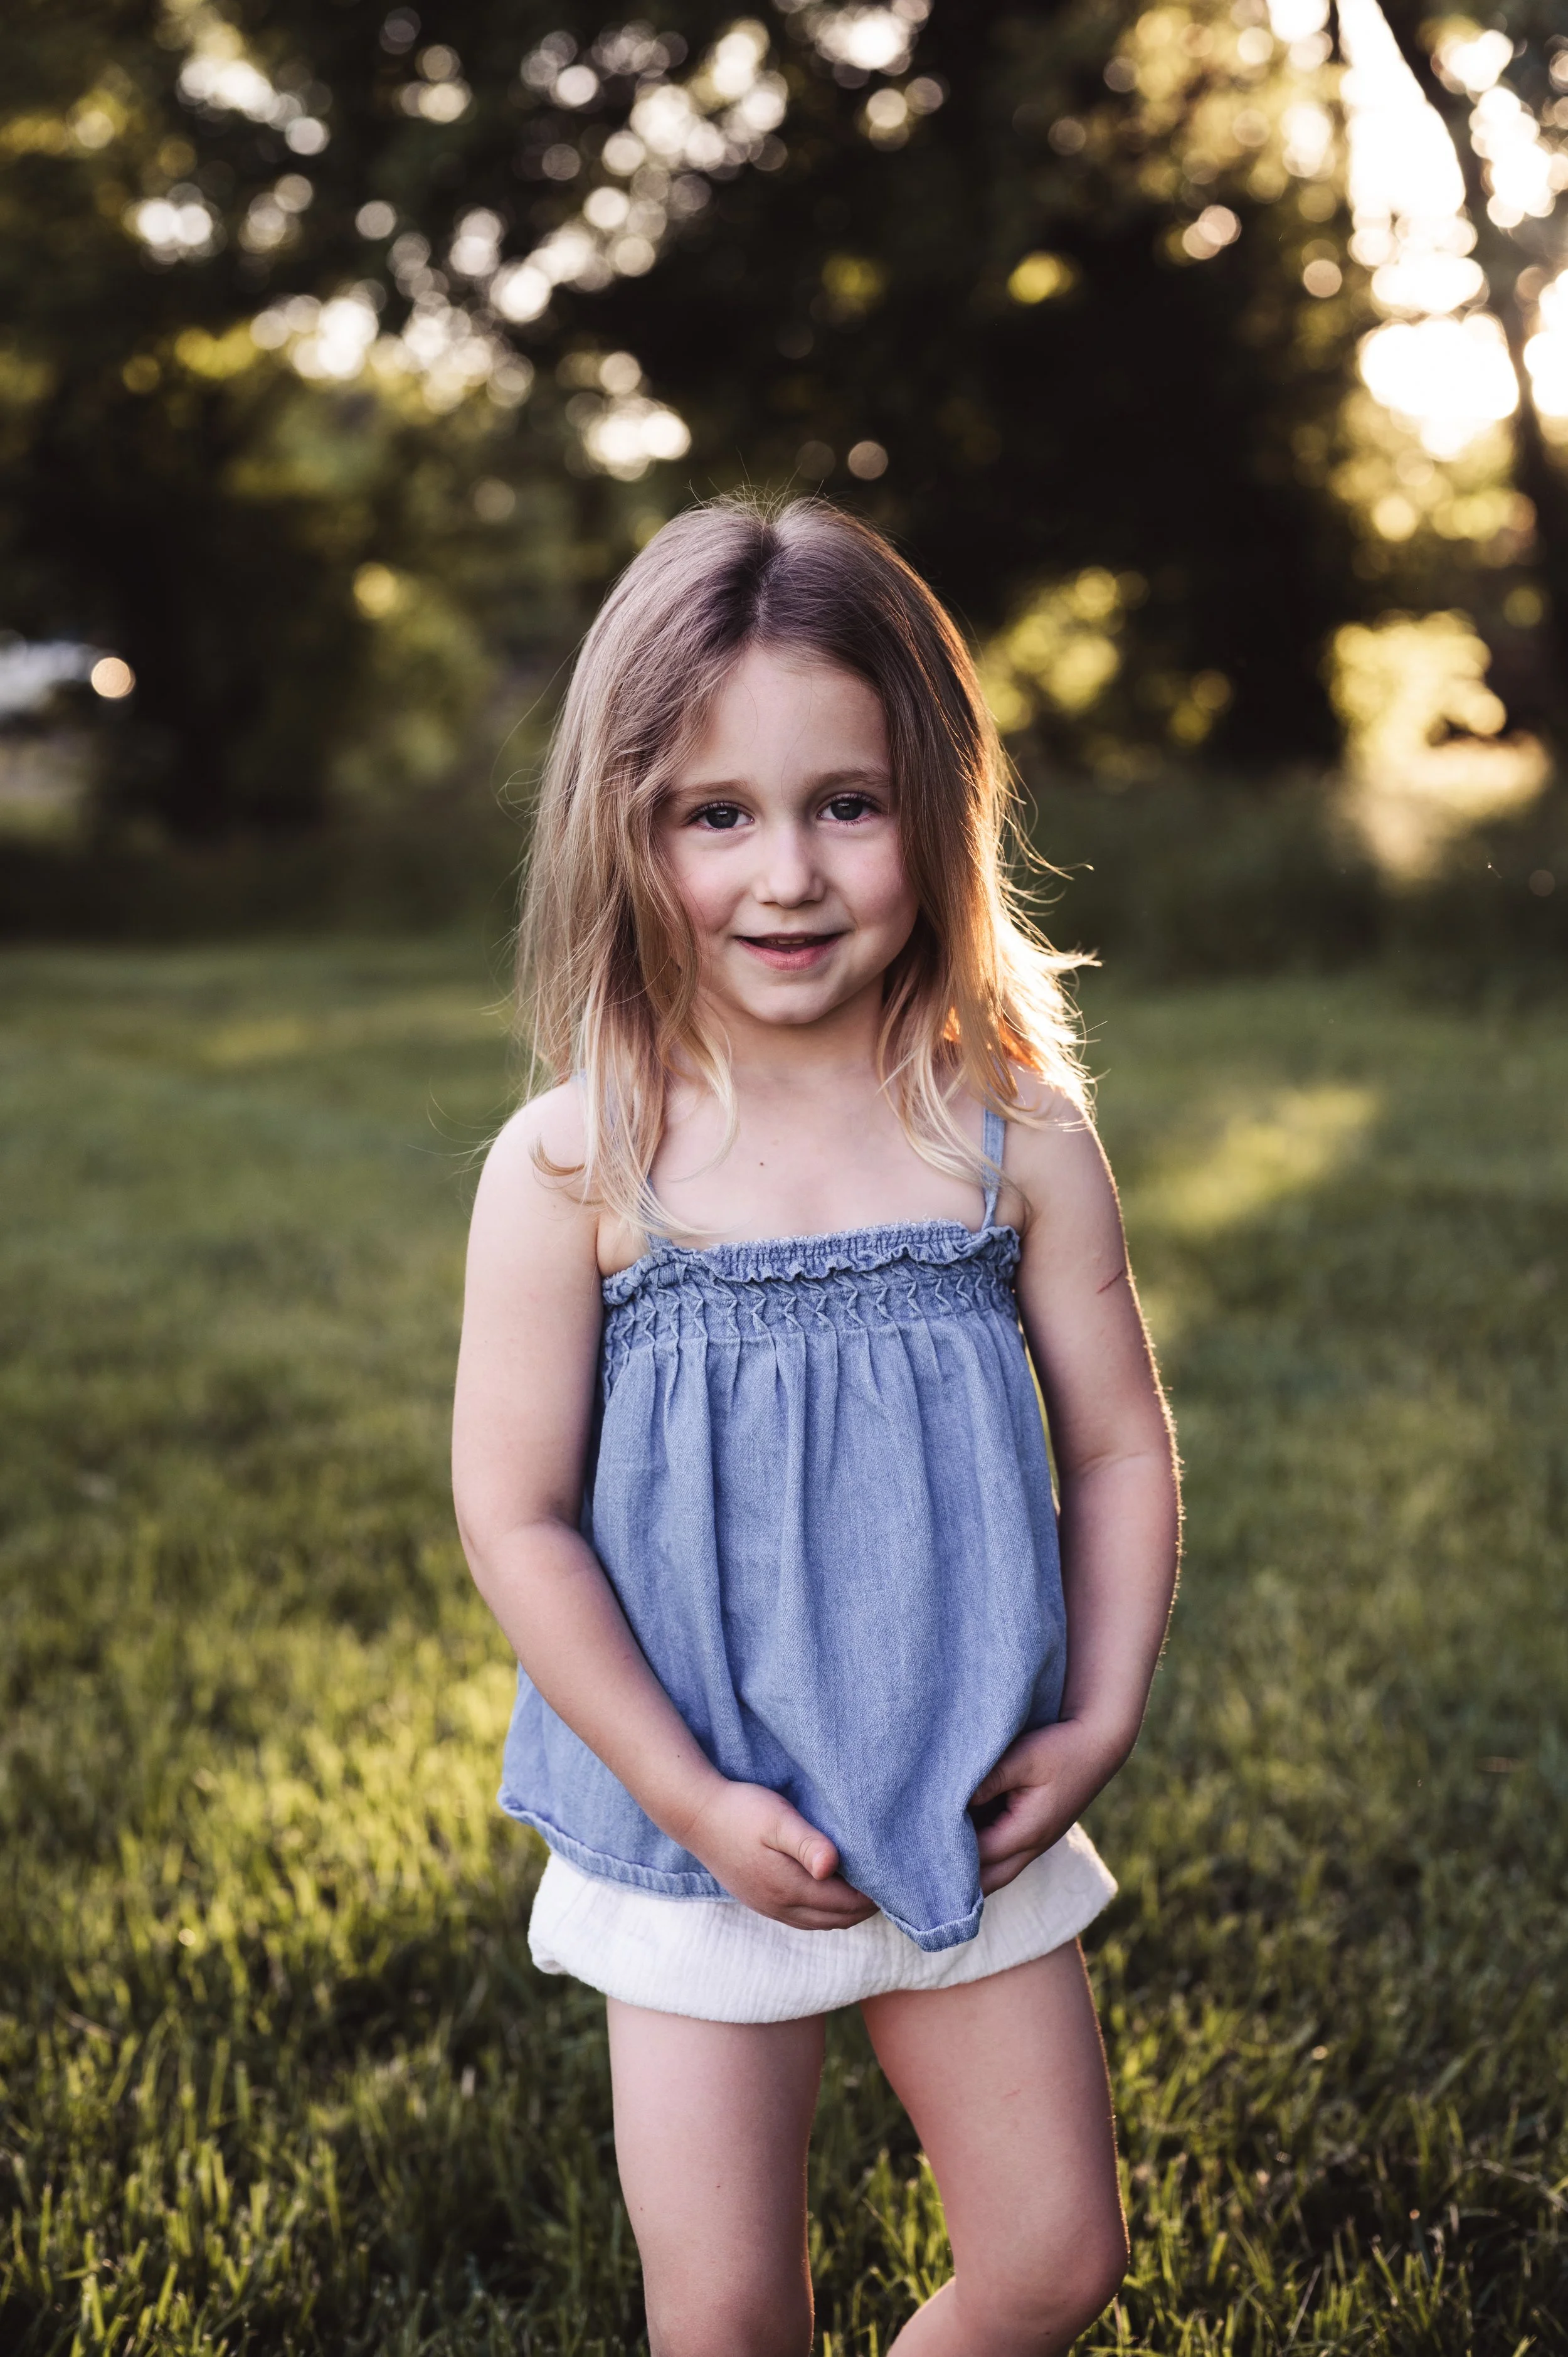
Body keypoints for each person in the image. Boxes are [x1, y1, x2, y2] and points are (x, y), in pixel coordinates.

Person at [452, 496, 1180, 2357]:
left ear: (938, 804)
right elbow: (516, 1516)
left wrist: (1098, 1713)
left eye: (846, 803)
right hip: (694, 1819)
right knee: (723, 2314)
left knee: (1053, 2258)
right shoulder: (576, 1165)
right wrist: (691, 1798)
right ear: (623, 829)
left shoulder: (1007, 1136)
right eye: (717, 814)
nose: (787, 873)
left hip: (962, 1795)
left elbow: (1116, 1445)